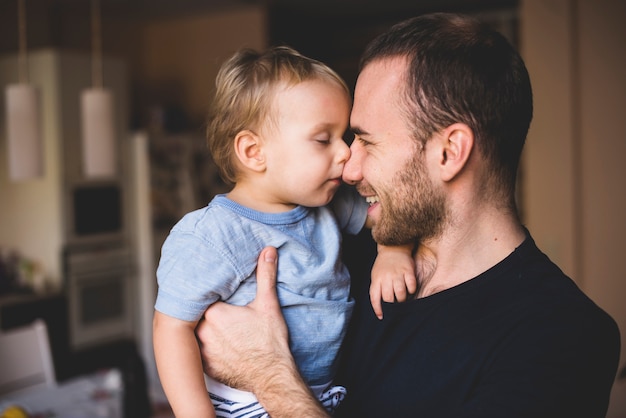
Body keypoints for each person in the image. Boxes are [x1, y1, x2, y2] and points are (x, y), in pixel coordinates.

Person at [195, 12, 621, 417]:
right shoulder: (332, 255)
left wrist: (269, 376)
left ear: (449, 152)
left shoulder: (563, 337)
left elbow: (257, 361)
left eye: (367, 141)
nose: (349, 167)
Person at [152, 46, 417, 418]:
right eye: (324, 139)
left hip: (317, 399)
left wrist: (393, 251)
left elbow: (391, 215)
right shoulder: (212, 234)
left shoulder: (328, 205)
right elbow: (171, 328)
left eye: (344, 136)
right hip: (241, 404)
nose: (345, 153)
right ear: (253, 151)